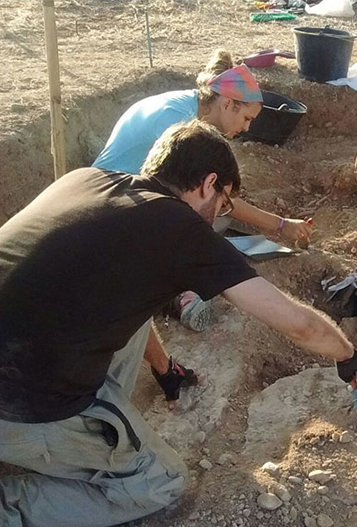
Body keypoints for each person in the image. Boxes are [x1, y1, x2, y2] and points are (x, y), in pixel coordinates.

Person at [0, 120, 357, 527]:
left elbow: (127, 305)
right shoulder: (181, 229)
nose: (219, 215)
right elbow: (299, 325)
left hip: (16, 345)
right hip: (16, 401)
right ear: (208, 183)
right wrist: (349, 355)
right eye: (224, 203)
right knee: (161, 483)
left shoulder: (87, 179)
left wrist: (165, 369)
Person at [93, 50, 314, 405]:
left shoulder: (187, 107)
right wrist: (280, 225)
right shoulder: (178, 126)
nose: (246, 128)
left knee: (213, 213)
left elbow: (216, 195)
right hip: (115, 207)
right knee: (202, 219)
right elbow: (214, 197)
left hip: (111, 193)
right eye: (245, 117)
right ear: (227, 103)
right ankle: (177, 293)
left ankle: (164, 351)